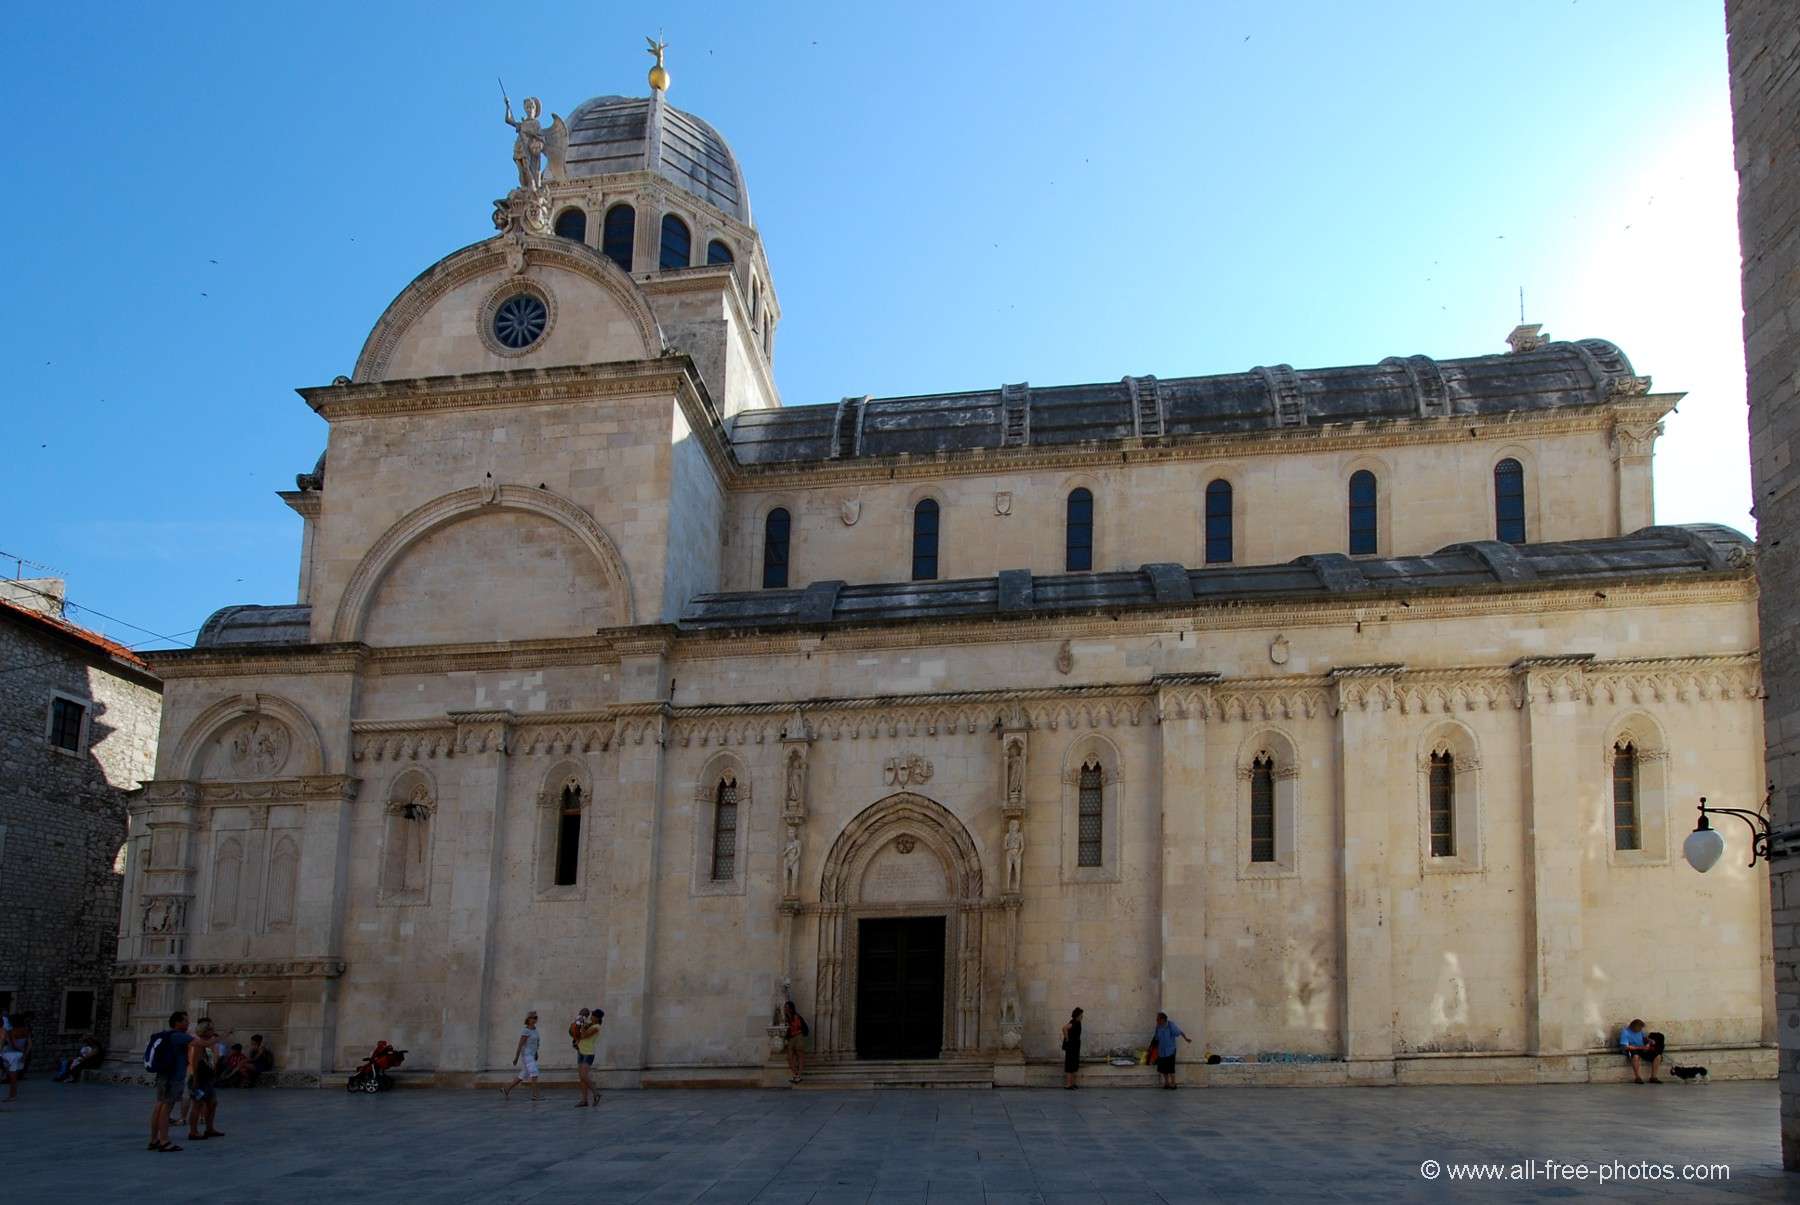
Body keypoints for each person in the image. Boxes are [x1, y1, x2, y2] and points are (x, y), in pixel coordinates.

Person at [146, 1010, 195, 1152]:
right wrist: (218, 1037)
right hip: (172, 1078)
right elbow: (201, 1043)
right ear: (177, 1022)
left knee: (159, 1106)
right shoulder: (179, 1036)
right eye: (185, 1020)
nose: (188, 1023)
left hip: (163, 1075)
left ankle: (154, 1139)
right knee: (167, 1108)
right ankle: (164, 1141)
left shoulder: (165, 1035)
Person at [186, 1018, 225, 1140]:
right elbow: (194, 1062)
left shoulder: (209, 1044)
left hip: (208, 1079)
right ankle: (193, 1131)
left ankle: (209, 1128)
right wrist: (196, 1081)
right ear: (204, 1031)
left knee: (212, 1103)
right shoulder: (198, 1044)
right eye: (211, 1029)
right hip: (199, 1079)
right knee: (197, 1105)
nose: (213, 1031)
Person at [501, 1011, 542, 1101]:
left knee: (523, 1074)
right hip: (526, 1055)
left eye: (536, 1018)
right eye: (532, 1018)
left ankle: (506, 1089)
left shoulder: (535, 1030)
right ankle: (535, 1095)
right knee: (534, 1072)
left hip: (532, 1055)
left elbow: (536, 1043)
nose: (534, 1019)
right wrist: (516, 1057)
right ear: (528, 1019)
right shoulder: (526, 1031)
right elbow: (520, 1045)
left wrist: (536, 1053)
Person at [1151, 1012, 1192, 1089]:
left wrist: (1186, 1038)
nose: (1156, 1021)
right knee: (1163, 1068)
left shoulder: (1170, 1025)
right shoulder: (1158, 1026)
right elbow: (1156, 1037)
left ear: (1163, 1019)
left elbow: (1179, 1032)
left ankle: (1173, 1083)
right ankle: (1166, 1083)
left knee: (1170, 1068)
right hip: (1161, 1051)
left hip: (1170, 1050)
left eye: (1158, 1019)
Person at [573, 1008, 603, 1107]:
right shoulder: (589, 1025)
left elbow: (584, 1035)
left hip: (588, 1053)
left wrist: (581, 1025)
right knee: (581, 1078)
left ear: (597, 1018)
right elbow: (578, 1034)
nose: (591, 1016)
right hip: (581, 1051)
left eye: (593, 1015)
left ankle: (596, 1093)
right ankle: (584, 1100)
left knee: (584, 1075)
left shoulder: (596, 1027)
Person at [1620, 1019, 1663, 1084]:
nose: (1641, 1029)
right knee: (1635, 1056)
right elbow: (1624, 1046)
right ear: (1634, 1027)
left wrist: (1649, 1041)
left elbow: (1644, 1038)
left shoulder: (1639, 1031)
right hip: (1632, 1049)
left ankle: (1653, 1077)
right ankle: (1638, 1077)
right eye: (1640, 1028)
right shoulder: (1625, 1032)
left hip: (1642, 1048)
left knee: (1658, 1056)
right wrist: (1641, 1047)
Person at [1, 1013, 29, 1102]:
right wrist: (24, 1053)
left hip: (11, 1054)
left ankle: (12, 1096)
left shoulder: (11, 1031)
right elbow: (29, 1044)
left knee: (11, 1076)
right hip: (19, 1055)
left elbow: (13, 1044)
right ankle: (13, 1096)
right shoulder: (26, 1030)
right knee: (14, 1078)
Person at [783, 1001, 808, 1085]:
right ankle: (796, 1074)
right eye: (785, 1007)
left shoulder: (796, 1017)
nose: (785, 1009)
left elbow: (800, 1028)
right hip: (791, 1039)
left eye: (786, 1007)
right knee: (790, 1057)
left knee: (800, 1056)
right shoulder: (786, 1018)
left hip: (798, 1036)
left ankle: (798, 1075)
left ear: (790, 1008)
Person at [1061, 1007, 1084, 1090]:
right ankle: (1068, 1085)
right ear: (1077, 1015)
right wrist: (1067, 1039)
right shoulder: (1074, 1022)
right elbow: (1064, 1028)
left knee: (1074, 1065)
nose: (1082, 1016)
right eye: (1081, 1015)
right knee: (1070, 1065)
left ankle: (1073, 1084)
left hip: (1075, 1046)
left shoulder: (1078, 1023)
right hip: (1071, 1046)